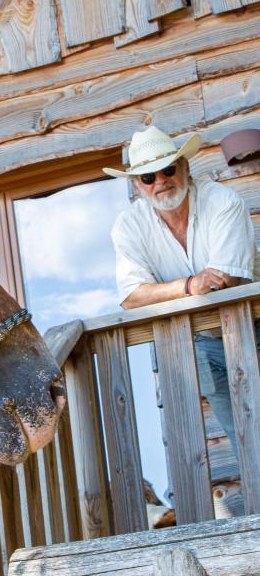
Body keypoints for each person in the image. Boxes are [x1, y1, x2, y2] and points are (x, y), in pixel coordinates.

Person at [104, 126, 259, 456]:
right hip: (200, 344)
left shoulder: (222, 200)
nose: (160, 181)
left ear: (185, 168)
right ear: (137, 186)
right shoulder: (129, 226)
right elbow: (132, 297)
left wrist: (163, 291)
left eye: (168, 169)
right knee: (246, 439)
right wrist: (190, 285)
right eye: (147, 177)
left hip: (254, 328)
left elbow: (225, 279)